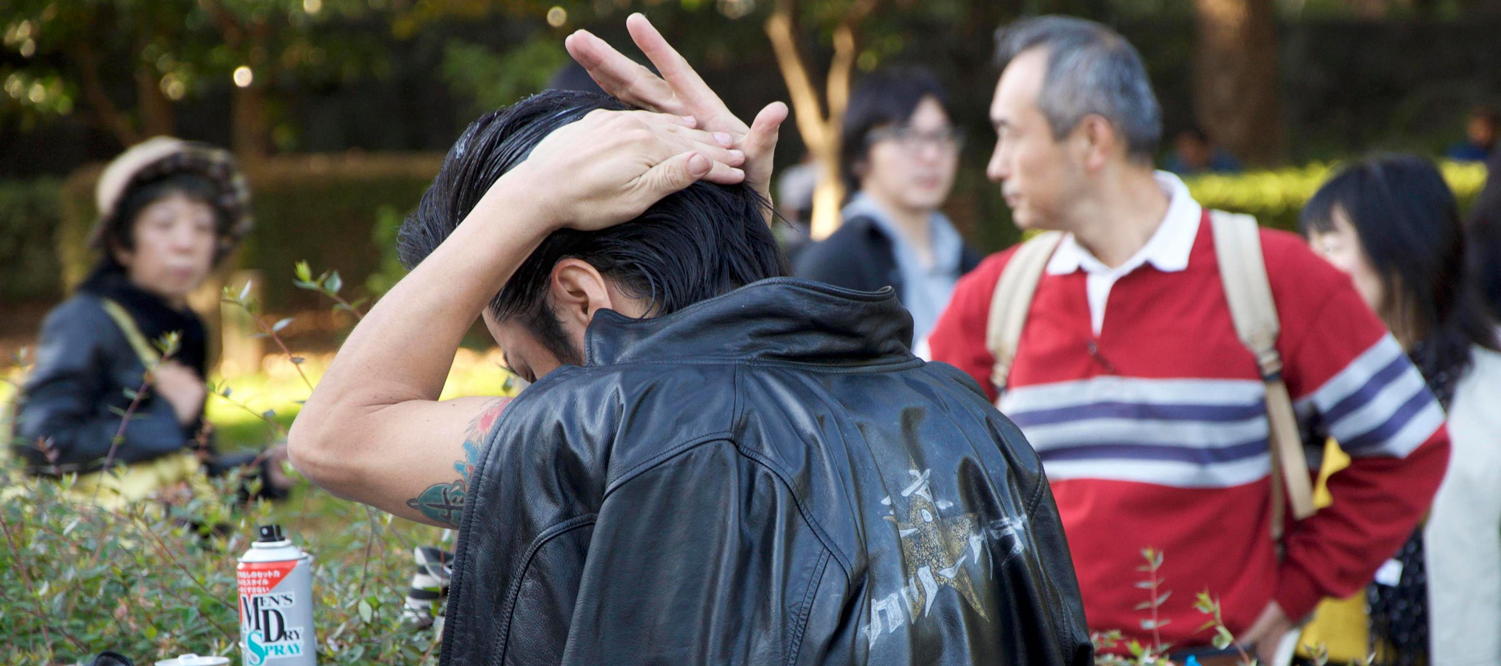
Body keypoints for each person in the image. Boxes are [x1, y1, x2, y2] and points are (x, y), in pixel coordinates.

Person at [288, 15, 1093, 664]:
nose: (533, 395)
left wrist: (525, 199)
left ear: (577, 293)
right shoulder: (959, 412)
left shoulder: (614, 427)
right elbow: (759, 371)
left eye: (526, 370)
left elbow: (334, 436)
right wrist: (739, 225)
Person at [923, 16, 1449, 662]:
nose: (995, 165)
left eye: (1007, 134)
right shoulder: (993, 297)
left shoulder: (1274, 278)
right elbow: (906, 476)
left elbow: (1408, 446)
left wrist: (1289, 596)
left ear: (1091, 139)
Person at [11, 137, 290, 506]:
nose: (186, 243)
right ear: (123, 244)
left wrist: (260, 472)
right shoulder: (85, 321)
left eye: (203, 227)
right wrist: (167, 416)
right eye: (164, 224)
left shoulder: (187, 326)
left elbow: (181, 474)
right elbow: (40, 446)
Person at [1300, 154, 1501, 665]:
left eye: (1330, 245)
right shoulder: (1322, 383)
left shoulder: (1486, 391)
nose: (1312, 267)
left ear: (1400, 248)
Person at [794, 67, 980, 348]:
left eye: (942, 136)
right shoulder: (832, 266)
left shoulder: (970, 262)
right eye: (906, 135)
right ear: (859, 156)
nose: (931, 155)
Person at [1163, 126, 1242, 175]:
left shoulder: (1227, 164)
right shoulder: (1174, 166)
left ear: (1205, 147)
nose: (1187, 154)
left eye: (1191, 148)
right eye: (1181, 148)